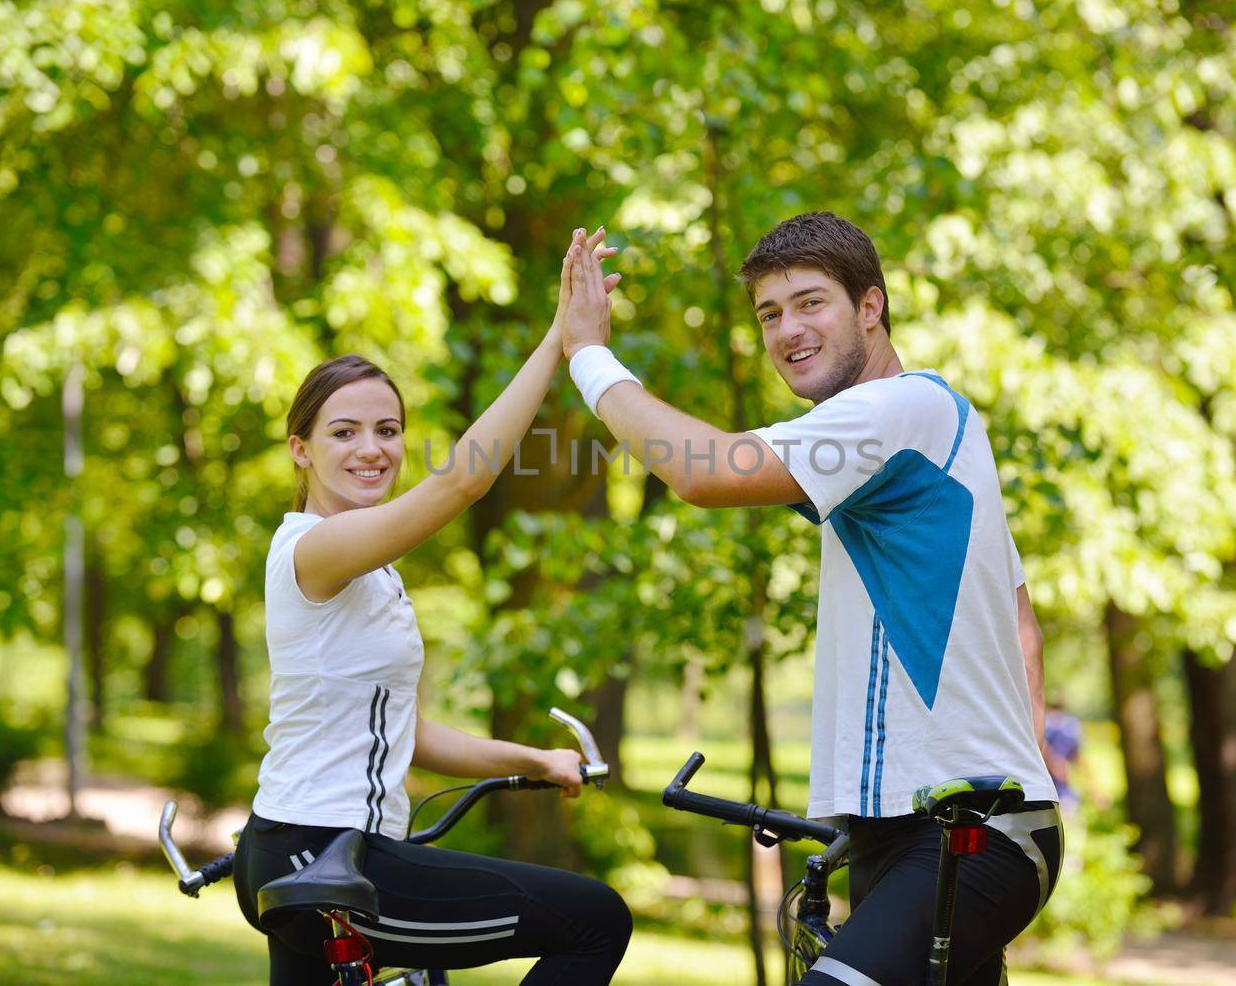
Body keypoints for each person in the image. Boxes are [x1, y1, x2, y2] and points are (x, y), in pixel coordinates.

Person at [561, 212, 1061, 986]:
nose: (787, 330)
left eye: (810, 303)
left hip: (968, 834)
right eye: (769, 313)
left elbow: (704, 470)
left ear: (871, 306)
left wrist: (588, 355)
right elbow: (1020, 622)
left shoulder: (899, 410)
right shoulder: (925, 441)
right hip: (905, 831)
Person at [232, 229, 632, 986]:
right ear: (300, 450)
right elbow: (460, 485)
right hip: (326, 852)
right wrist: (558, 343)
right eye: (342, 432)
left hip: (296, 849)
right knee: (594, 919)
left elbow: (405, 732)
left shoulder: (371, 571)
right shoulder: (312, 551)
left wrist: (536, 762)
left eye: (387, 431)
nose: (371, 449)